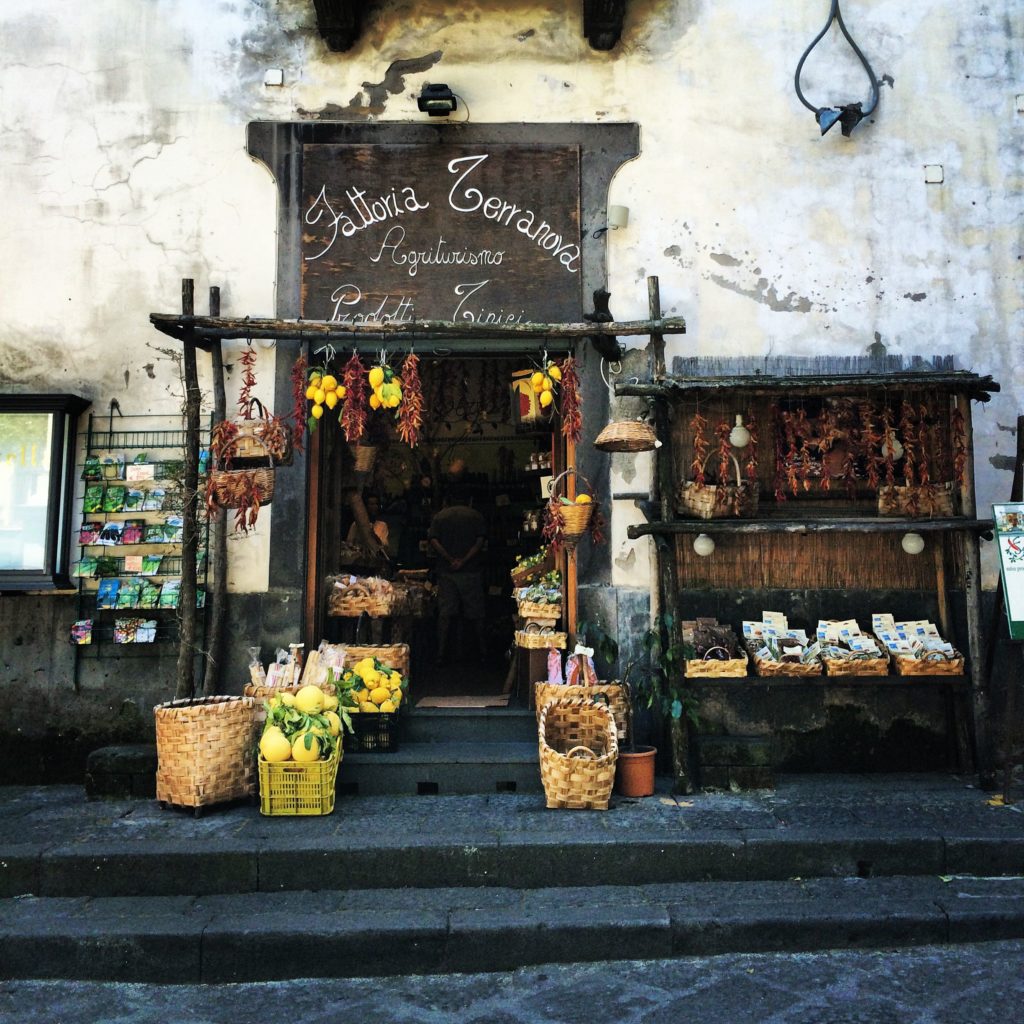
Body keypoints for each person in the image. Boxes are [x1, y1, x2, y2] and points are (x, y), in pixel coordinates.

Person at [428, 490, 487, 665]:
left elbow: (433, 540)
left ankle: (440, 653)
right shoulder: (475, 515)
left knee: (445, 614)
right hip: (471, 571)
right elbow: (480, 541)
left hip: (447, 572)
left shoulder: (440, 516)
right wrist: (464, 560)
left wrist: (449, 558)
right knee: (477, 614)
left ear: (447, 501)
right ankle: (483, 652)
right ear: (468, 500)